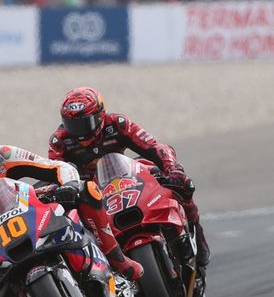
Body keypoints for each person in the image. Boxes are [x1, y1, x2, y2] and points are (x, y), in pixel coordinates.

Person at [0, 120, 143, 297]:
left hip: (25, 213)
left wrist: (69, 185)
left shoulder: (3, 155)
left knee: (87, 190)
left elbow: (57, 167)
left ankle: (116, 258)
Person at [48, 87, 210, 267]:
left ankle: (197, 234)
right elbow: (56, 172)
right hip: (90, 192)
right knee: (71, 227)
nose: (79, 132)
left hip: (126, 175)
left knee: (182, 184)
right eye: (72, 125)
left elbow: (154, 146)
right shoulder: (59, 141)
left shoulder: (118, 123)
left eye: (85, 124)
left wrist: (172, 168)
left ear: (100, 115)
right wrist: (64, 191)